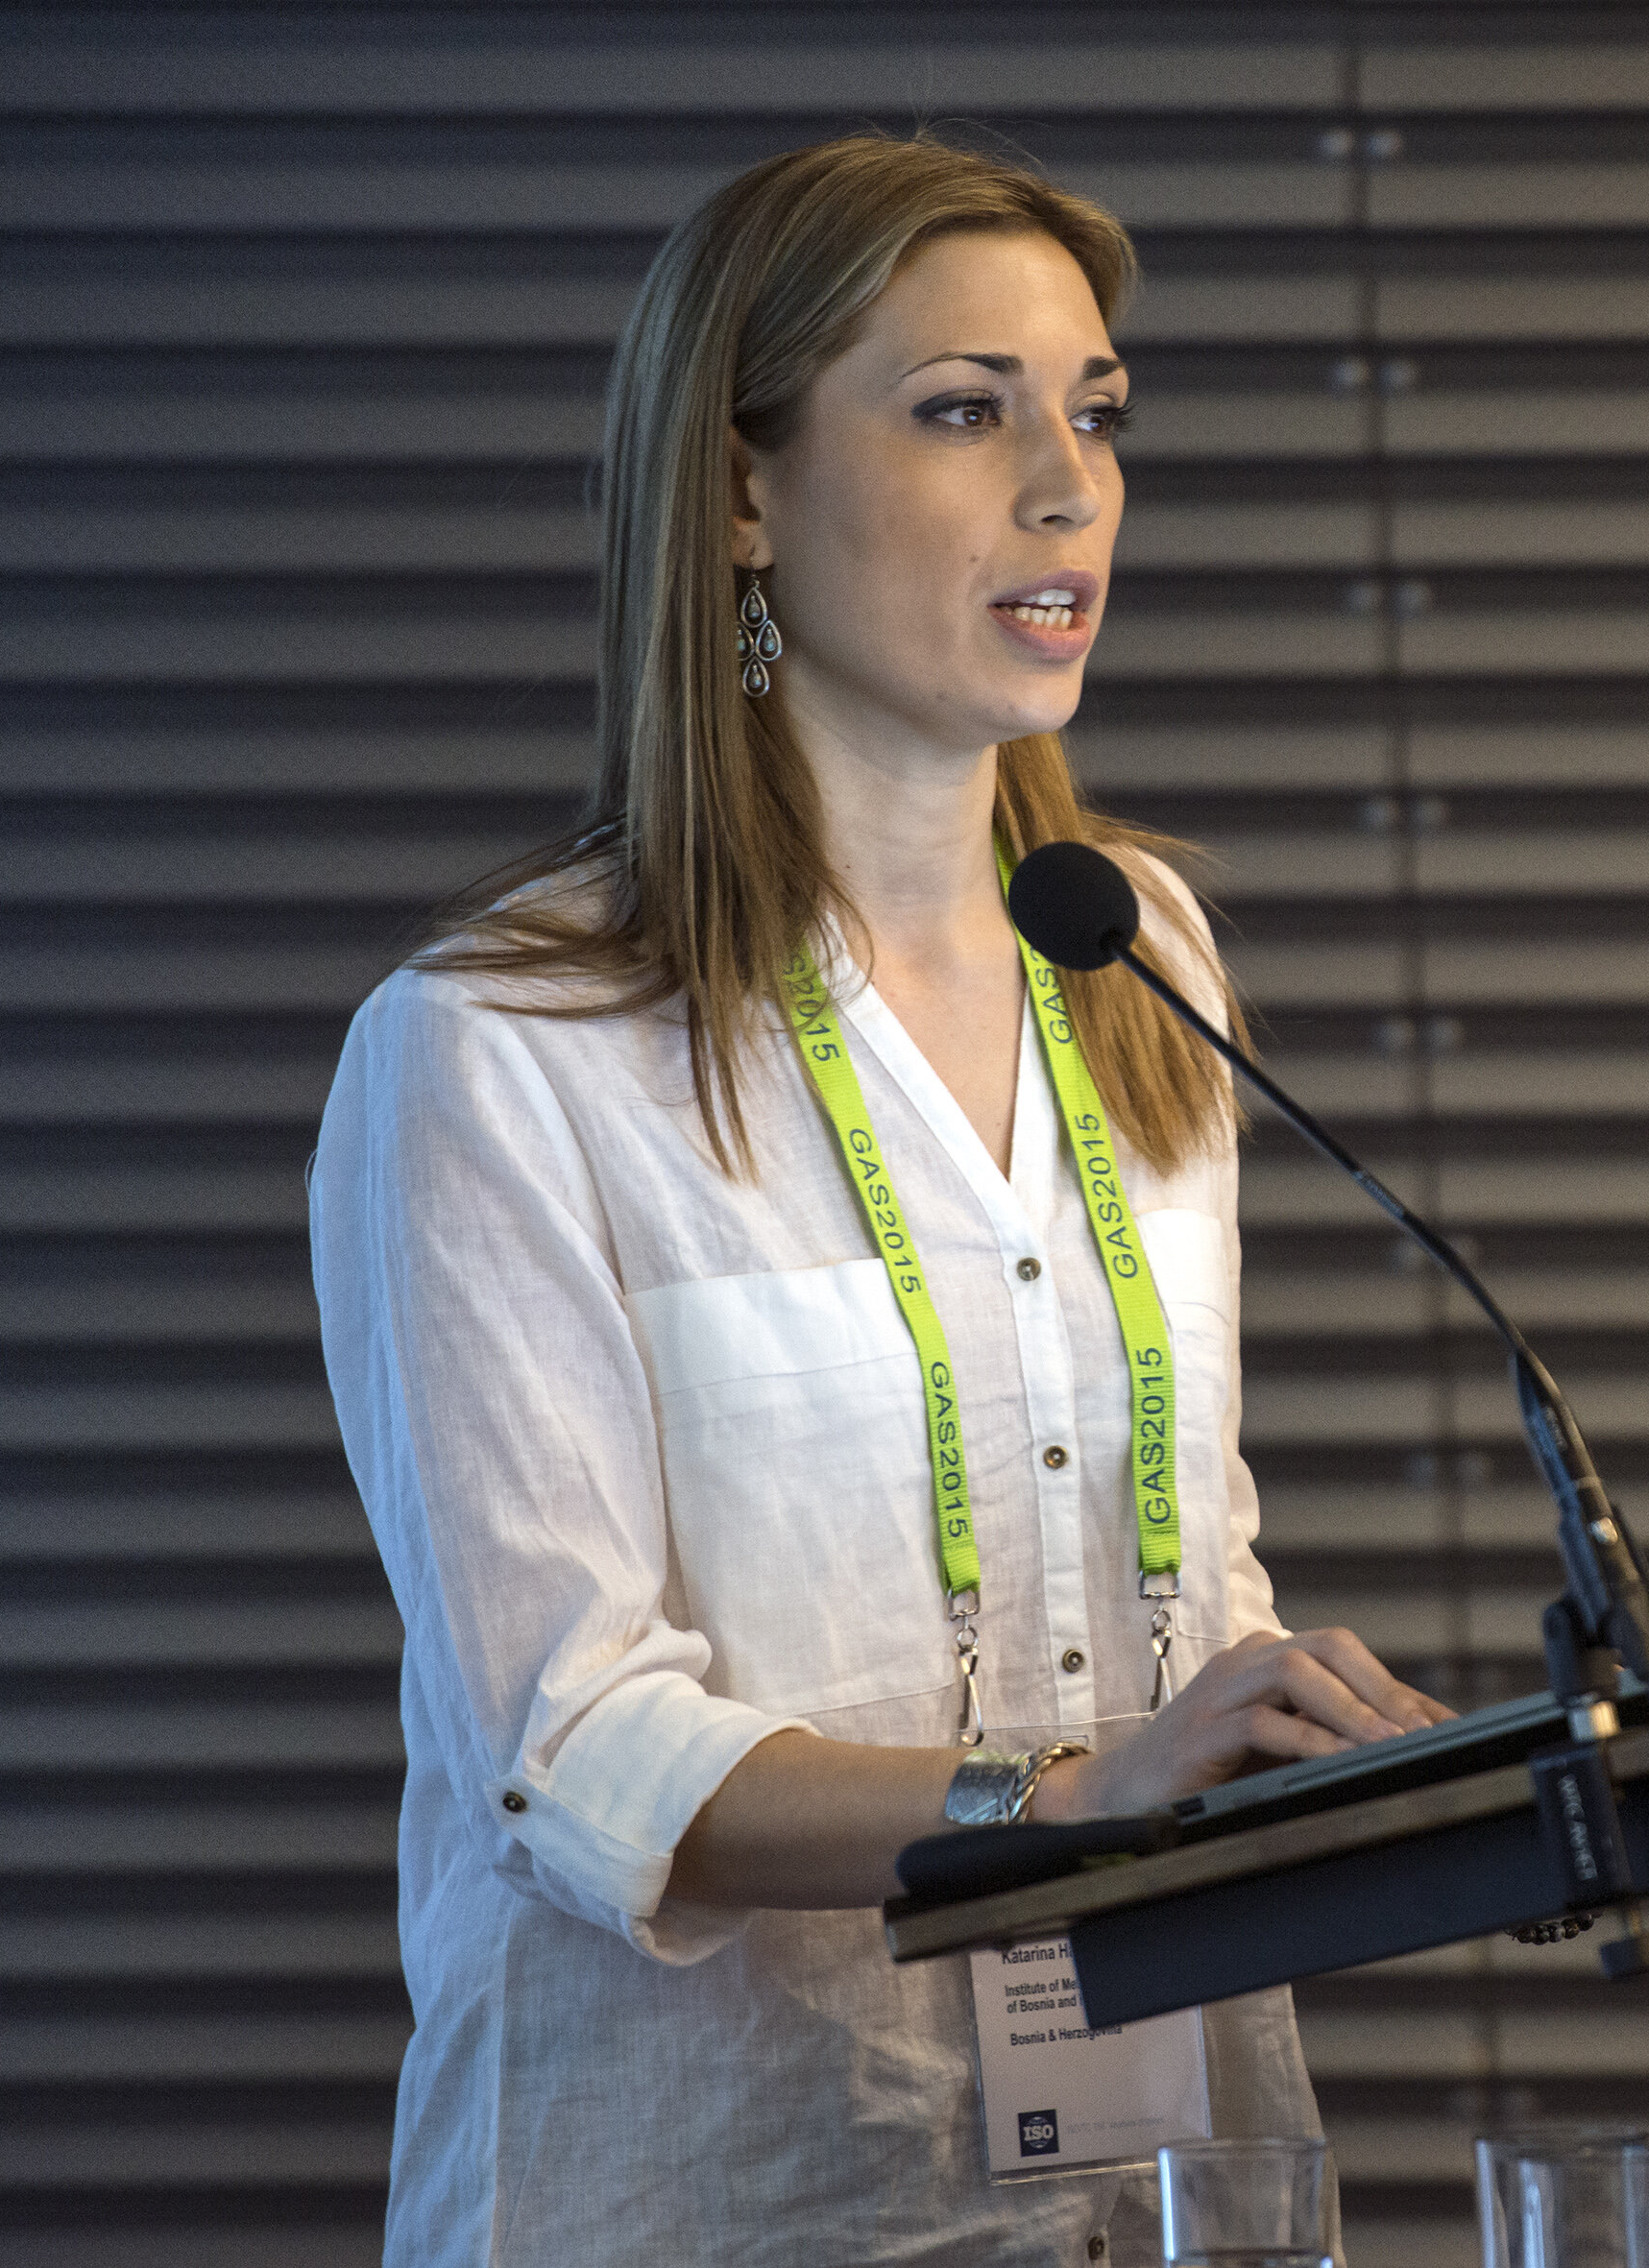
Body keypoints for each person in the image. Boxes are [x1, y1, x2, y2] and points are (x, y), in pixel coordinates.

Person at [310, 133, 1447, 2266]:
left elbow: (1180, 1568)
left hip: (1167, 2196)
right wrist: (1064, 1799)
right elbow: (571, 1746)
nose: (1069, 487)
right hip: (727, 2212)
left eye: (1096, 411)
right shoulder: (502, 1050)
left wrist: (1319, 1737)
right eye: (963, 410)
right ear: (740, 492)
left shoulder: (1138, 955)